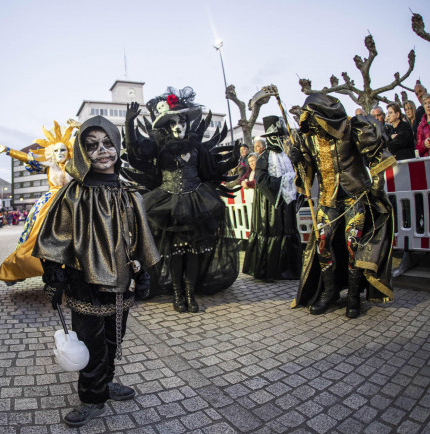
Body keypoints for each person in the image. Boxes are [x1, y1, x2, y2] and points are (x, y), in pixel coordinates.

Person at [33, 115, 160, 428]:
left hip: (122, 282)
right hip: (85, 282)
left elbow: (140, 240)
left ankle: (106, 382)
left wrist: (143, 275)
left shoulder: (131, 193)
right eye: (93, 146)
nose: (103, 151)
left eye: (108, 144)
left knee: (115, 338)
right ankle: (92, 397)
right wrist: (54, 278)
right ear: (82, 153)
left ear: (117, 146)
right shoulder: (73, 194)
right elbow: (55, 239)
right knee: (91, 342)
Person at [124, 87, 240, 313]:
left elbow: (209, 169)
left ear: (187, 124)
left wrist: (232, 159)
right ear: (167, 126)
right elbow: (137, 151)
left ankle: (190, 293)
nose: (178, 126)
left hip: (196, 202)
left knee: (194, 252)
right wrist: (129, 125)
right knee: (176, 251)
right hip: (169, 205)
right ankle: (178, 294)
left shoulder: (196, 147)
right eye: (173, 122)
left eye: (182, 122)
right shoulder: (159, 146)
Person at [289, 94, 394, 319]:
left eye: (314, 121)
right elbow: (306, 177)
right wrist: (297, 160)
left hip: (355, 196)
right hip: (328, 200)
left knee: (352, 246)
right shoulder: (308, 139)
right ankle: (329, 293)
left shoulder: (351, 128)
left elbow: (377, 155)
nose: (312, 126)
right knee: (322, 245)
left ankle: (354, 296)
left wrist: (376, 185)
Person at [0, 122, 75, 284]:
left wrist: (80, 127)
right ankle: (17, 268)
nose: (60, 153)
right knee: (36, 236)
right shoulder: (49, 166)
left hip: (72, 202)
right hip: (49, 204)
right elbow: (27, 157)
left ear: (69, 151)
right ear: (51, 153)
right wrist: (8, 150)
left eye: (63, 149)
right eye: (56, 150)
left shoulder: (74, 166)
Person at [242, 119, 301, 282]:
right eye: (275, 137)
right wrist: (283, 181)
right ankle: (269, 270)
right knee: (272, 233)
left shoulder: (286, 157)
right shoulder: (264, 158)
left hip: (285, 206)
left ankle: (287, 269)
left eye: (281, 137)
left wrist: (295, 175)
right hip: (270, 206)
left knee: (287, 232)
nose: (279, 140)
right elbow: (261, 180)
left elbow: (296, 178)